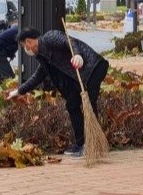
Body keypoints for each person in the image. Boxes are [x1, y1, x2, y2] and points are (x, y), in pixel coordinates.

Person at [8, 27, 109, 158]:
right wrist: (19, 91)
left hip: (94, 68)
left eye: (23, 46)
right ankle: (81, 144)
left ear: (28, 41)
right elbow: (38, 76)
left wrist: (77, 55)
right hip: (79, 77)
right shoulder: (43, 56)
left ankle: (93, 144)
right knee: (72, 105)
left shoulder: (50, 37)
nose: (25, 49)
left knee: (89, 103)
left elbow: (70, 42)